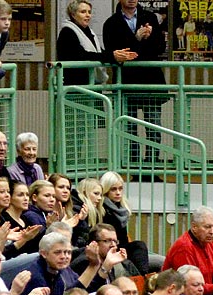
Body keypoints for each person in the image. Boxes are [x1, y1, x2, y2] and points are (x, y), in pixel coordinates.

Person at [102, 0, 166, 165]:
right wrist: (136, 38)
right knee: (129, 128)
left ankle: (152, 166)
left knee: (154, 127)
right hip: (126, 81)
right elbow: (115, 52)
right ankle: (134, 165)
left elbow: (160, 47)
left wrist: (149, 37)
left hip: (150, 81)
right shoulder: (111, 23)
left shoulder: (150, 17)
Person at [56, 0, 136, 84]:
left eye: (89, 12)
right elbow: (81, 55)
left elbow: (98, 51)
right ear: (73, 15)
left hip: (90, 83)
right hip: (77, 84)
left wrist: (117, 55)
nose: (87, 15)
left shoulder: (89, 32)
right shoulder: (67, 32)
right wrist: (112, 56)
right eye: (83, 12)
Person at [98, 171, 150, 274]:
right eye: (113, 189)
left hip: (124, 248)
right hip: (111, 250)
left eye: (120, 188)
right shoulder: (102, 210)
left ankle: (143, 277)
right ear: (106, 190)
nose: (118, 192)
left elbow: (124, 238)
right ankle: (142, 280)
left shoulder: (121, 208)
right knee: (139, 246)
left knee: (160, 261)